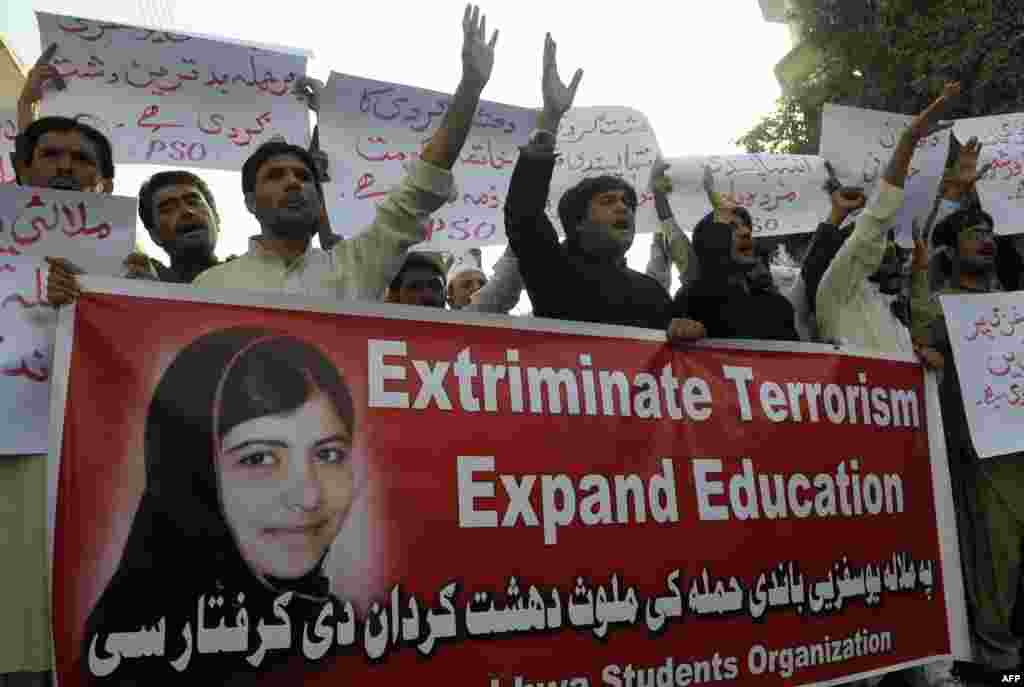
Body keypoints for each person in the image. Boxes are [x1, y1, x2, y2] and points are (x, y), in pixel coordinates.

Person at [82, 327, 361, 685]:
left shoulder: (353, 633)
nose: (309, 497)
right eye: (259, 458)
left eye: (328, 454)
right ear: (192, 476)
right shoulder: (129, 655)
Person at [192, 5, 498, 301]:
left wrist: (470, 87)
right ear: (249, 202)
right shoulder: (211, 287)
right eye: (275, 176)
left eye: (303, 176)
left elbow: (422, 186)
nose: (293, 183)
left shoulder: (356, 267)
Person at [504, 33, 703, 343]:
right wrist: (551, 120)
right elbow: (523, 214)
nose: (623, 208)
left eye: (628, 203)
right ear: (578, 222)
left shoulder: (650, 292)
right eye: (608, 201)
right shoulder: (553, 271)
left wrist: (688, 331)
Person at [129, 170, 222, 283]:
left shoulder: (247, 276)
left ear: (216, 218)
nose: (186, 211)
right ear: (154, 235)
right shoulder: (140, 282)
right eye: (168, 209)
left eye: (193, 202)